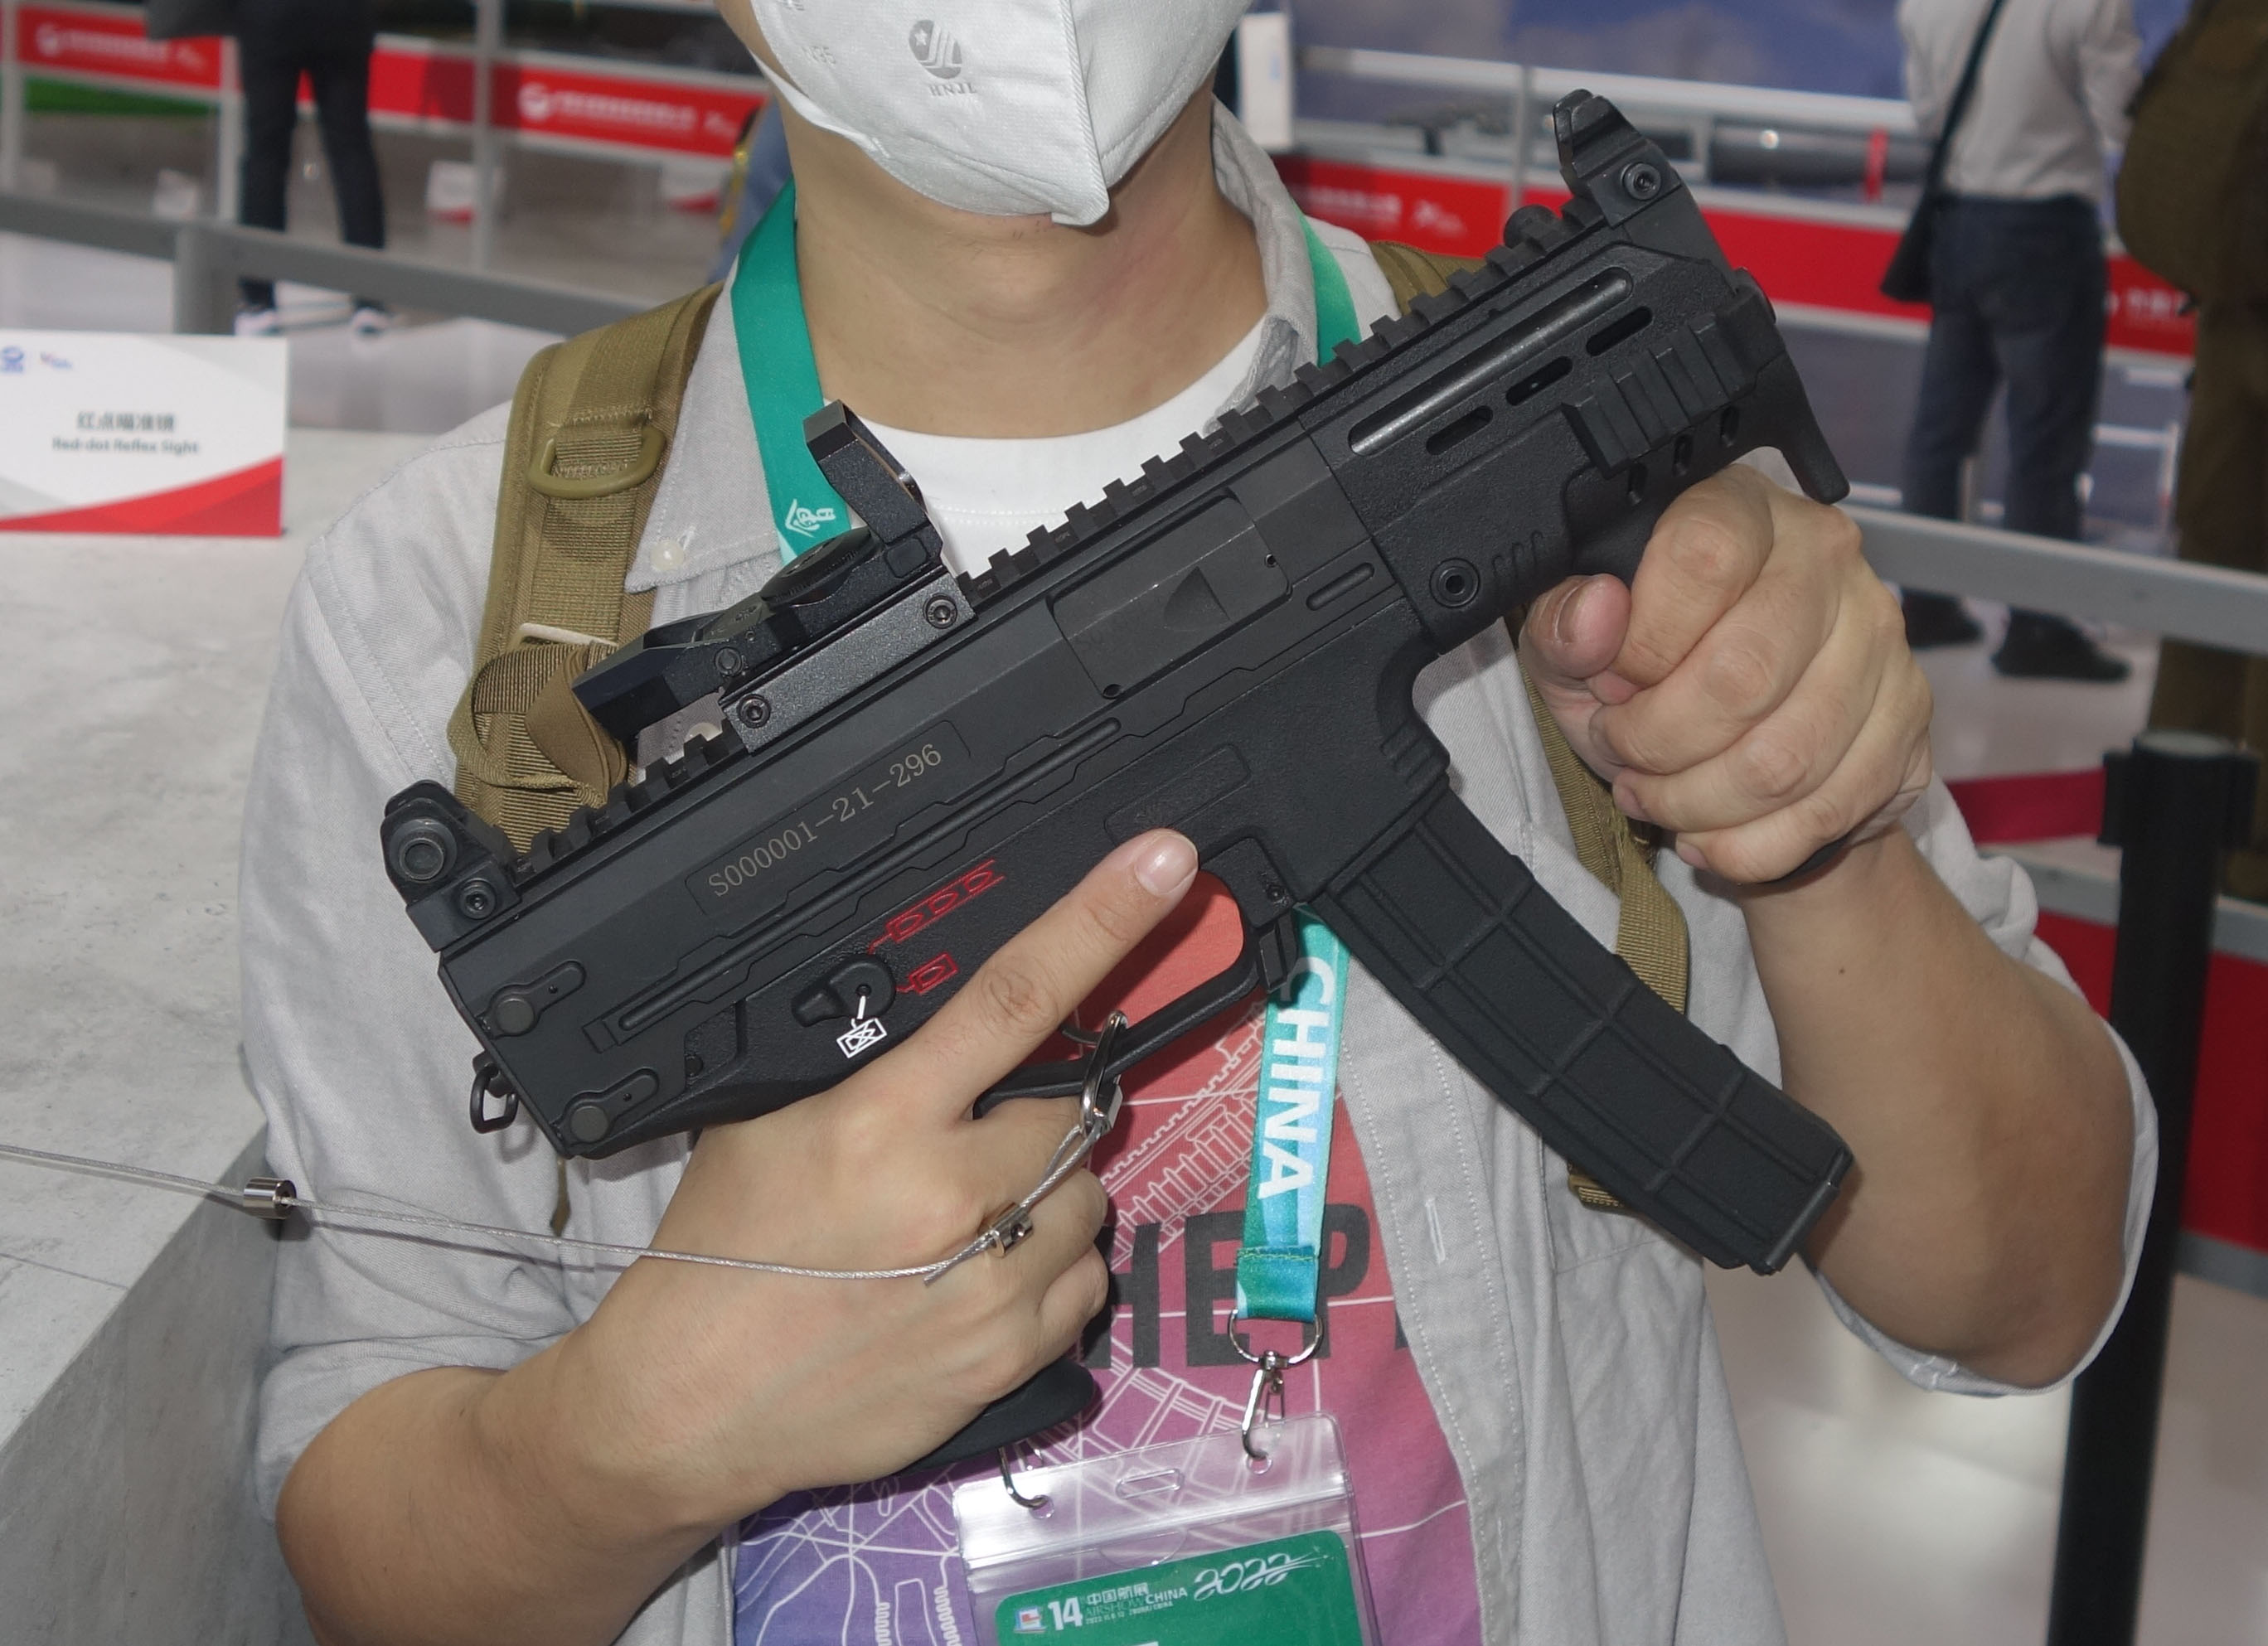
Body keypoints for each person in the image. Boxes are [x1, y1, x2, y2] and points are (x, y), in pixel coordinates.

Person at [239, 4, 2153, 1643]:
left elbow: (2024, 1295)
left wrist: (1816, 835)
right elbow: (367, 1524)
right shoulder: (452, 622)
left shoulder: (1538, 415)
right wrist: (622, 1446)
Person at [1895, 0, 2143, 679]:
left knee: (1941, 430)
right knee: (2045, 440)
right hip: (2046, 231)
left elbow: (1928, 114)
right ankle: (2035, 625)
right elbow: (2123, 117)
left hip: (1959, 223)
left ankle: (1925, 604)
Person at [231, 0, 390, 336]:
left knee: (265, 152)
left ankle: (258, 299)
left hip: (270, 16)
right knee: (351, 147)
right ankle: (370, 297)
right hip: (341, 17)